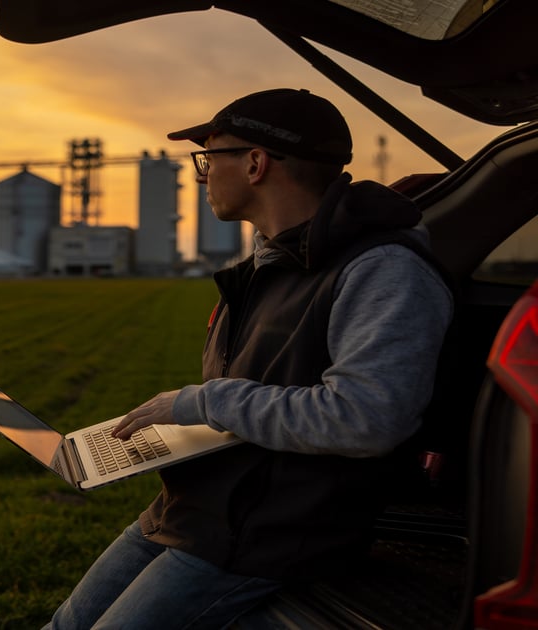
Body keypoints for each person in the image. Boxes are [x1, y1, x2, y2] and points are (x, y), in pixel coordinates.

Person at [44, 88, 454, 629]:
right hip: (196, 510)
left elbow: (368, 418)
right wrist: (178, 428)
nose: (202, 174)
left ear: (256, 163)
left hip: (266, 536)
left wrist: (208, 402)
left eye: (209, 158)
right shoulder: (271, 262)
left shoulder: (381, 270)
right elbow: (259, 396)